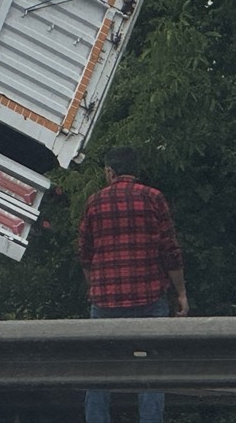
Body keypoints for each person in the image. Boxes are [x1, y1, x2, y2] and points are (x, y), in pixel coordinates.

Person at [78, 146, 189, 423]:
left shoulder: (94, 202)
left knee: (99, 372)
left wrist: (95, 289)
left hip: (105, 302)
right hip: (149, 299)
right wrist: (181, 293)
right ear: (134, 171)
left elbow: (85, 253)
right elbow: (170, 251)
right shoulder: (154, 198)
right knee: (150, 370)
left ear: (109, 172)